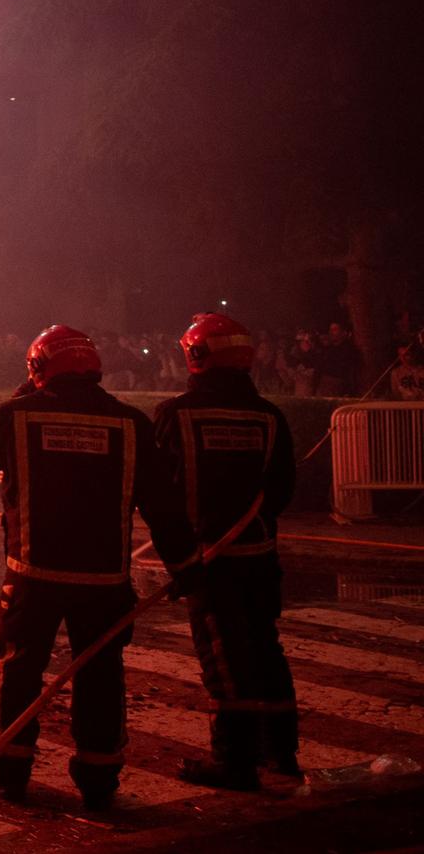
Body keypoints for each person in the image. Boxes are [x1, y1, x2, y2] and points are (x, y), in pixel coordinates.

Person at [0, 325, 201, 809]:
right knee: (102, 675)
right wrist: (185, 566)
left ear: (37, 368)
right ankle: (98, 779)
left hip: (33, 577)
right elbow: (164, 506)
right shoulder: (132, 423)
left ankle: (10, 772)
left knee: (20, 671)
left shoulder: (16, 414)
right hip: (105, 583)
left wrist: (23, 394)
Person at [154, 313, 299, 787]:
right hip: (259, 558)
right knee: (265, 651)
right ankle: (281, 755)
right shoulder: (269, 417)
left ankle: (233, 762)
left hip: (207, 562)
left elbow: (160, 495)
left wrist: (180, 561)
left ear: (196, 357)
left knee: (224, 658)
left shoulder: (175, 415)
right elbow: (281, 493)